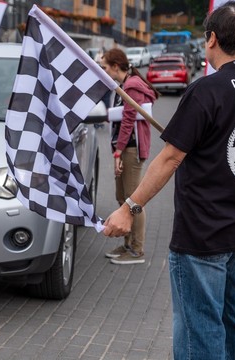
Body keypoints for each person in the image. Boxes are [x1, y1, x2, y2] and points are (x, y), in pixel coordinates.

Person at [103, 2, 235, 358]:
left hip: (204, 236)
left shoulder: (207, 90)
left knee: (200, 326)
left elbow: (170, 157)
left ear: (212, 39)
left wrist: (129, 207)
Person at [99, 48, 159, 265]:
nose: (102, 70)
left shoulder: (131, 86)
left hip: (130, 149)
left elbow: (127, 121)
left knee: (134, 201)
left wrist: (118, 152)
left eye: (104, 66)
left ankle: (136, 250)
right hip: (124, 148)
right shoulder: (123, 85)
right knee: (123, 198)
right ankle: (127, 244)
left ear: (115, 66)